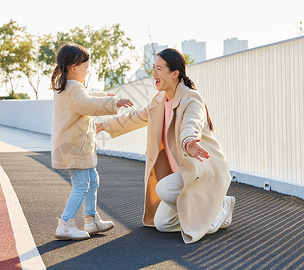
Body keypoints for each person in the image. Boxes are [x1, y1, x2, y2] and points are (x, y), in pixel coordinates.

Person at [96, 48, 235, 244]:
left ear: (174, 73)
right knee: (162, 224)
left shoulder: (191, 98)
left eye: (159, 68)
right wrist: (103, 125)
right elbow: (134, 117)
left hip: (200, 168)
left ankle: (219, 206)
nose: (154, 73)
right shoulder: (159, 101)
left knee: (166, 191)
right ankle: (204, 212)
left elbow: (191, 123)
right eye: (153, 68)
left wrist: (189, 142)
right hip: (183, 173)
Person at [51, 42, 133, 241]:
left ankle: (91, 219)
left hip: (77, 147)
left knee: (92, 180)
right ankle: (66, 223)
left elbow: (86, 97)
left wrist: (105, 96)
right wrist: (114, 102)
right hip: (75, 147)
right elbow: (86, 103)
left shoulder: (68, 86)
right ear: (74, 67)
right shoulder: (72, 88)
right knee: (81, 184)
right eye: (86, 67)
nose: (88, 71)